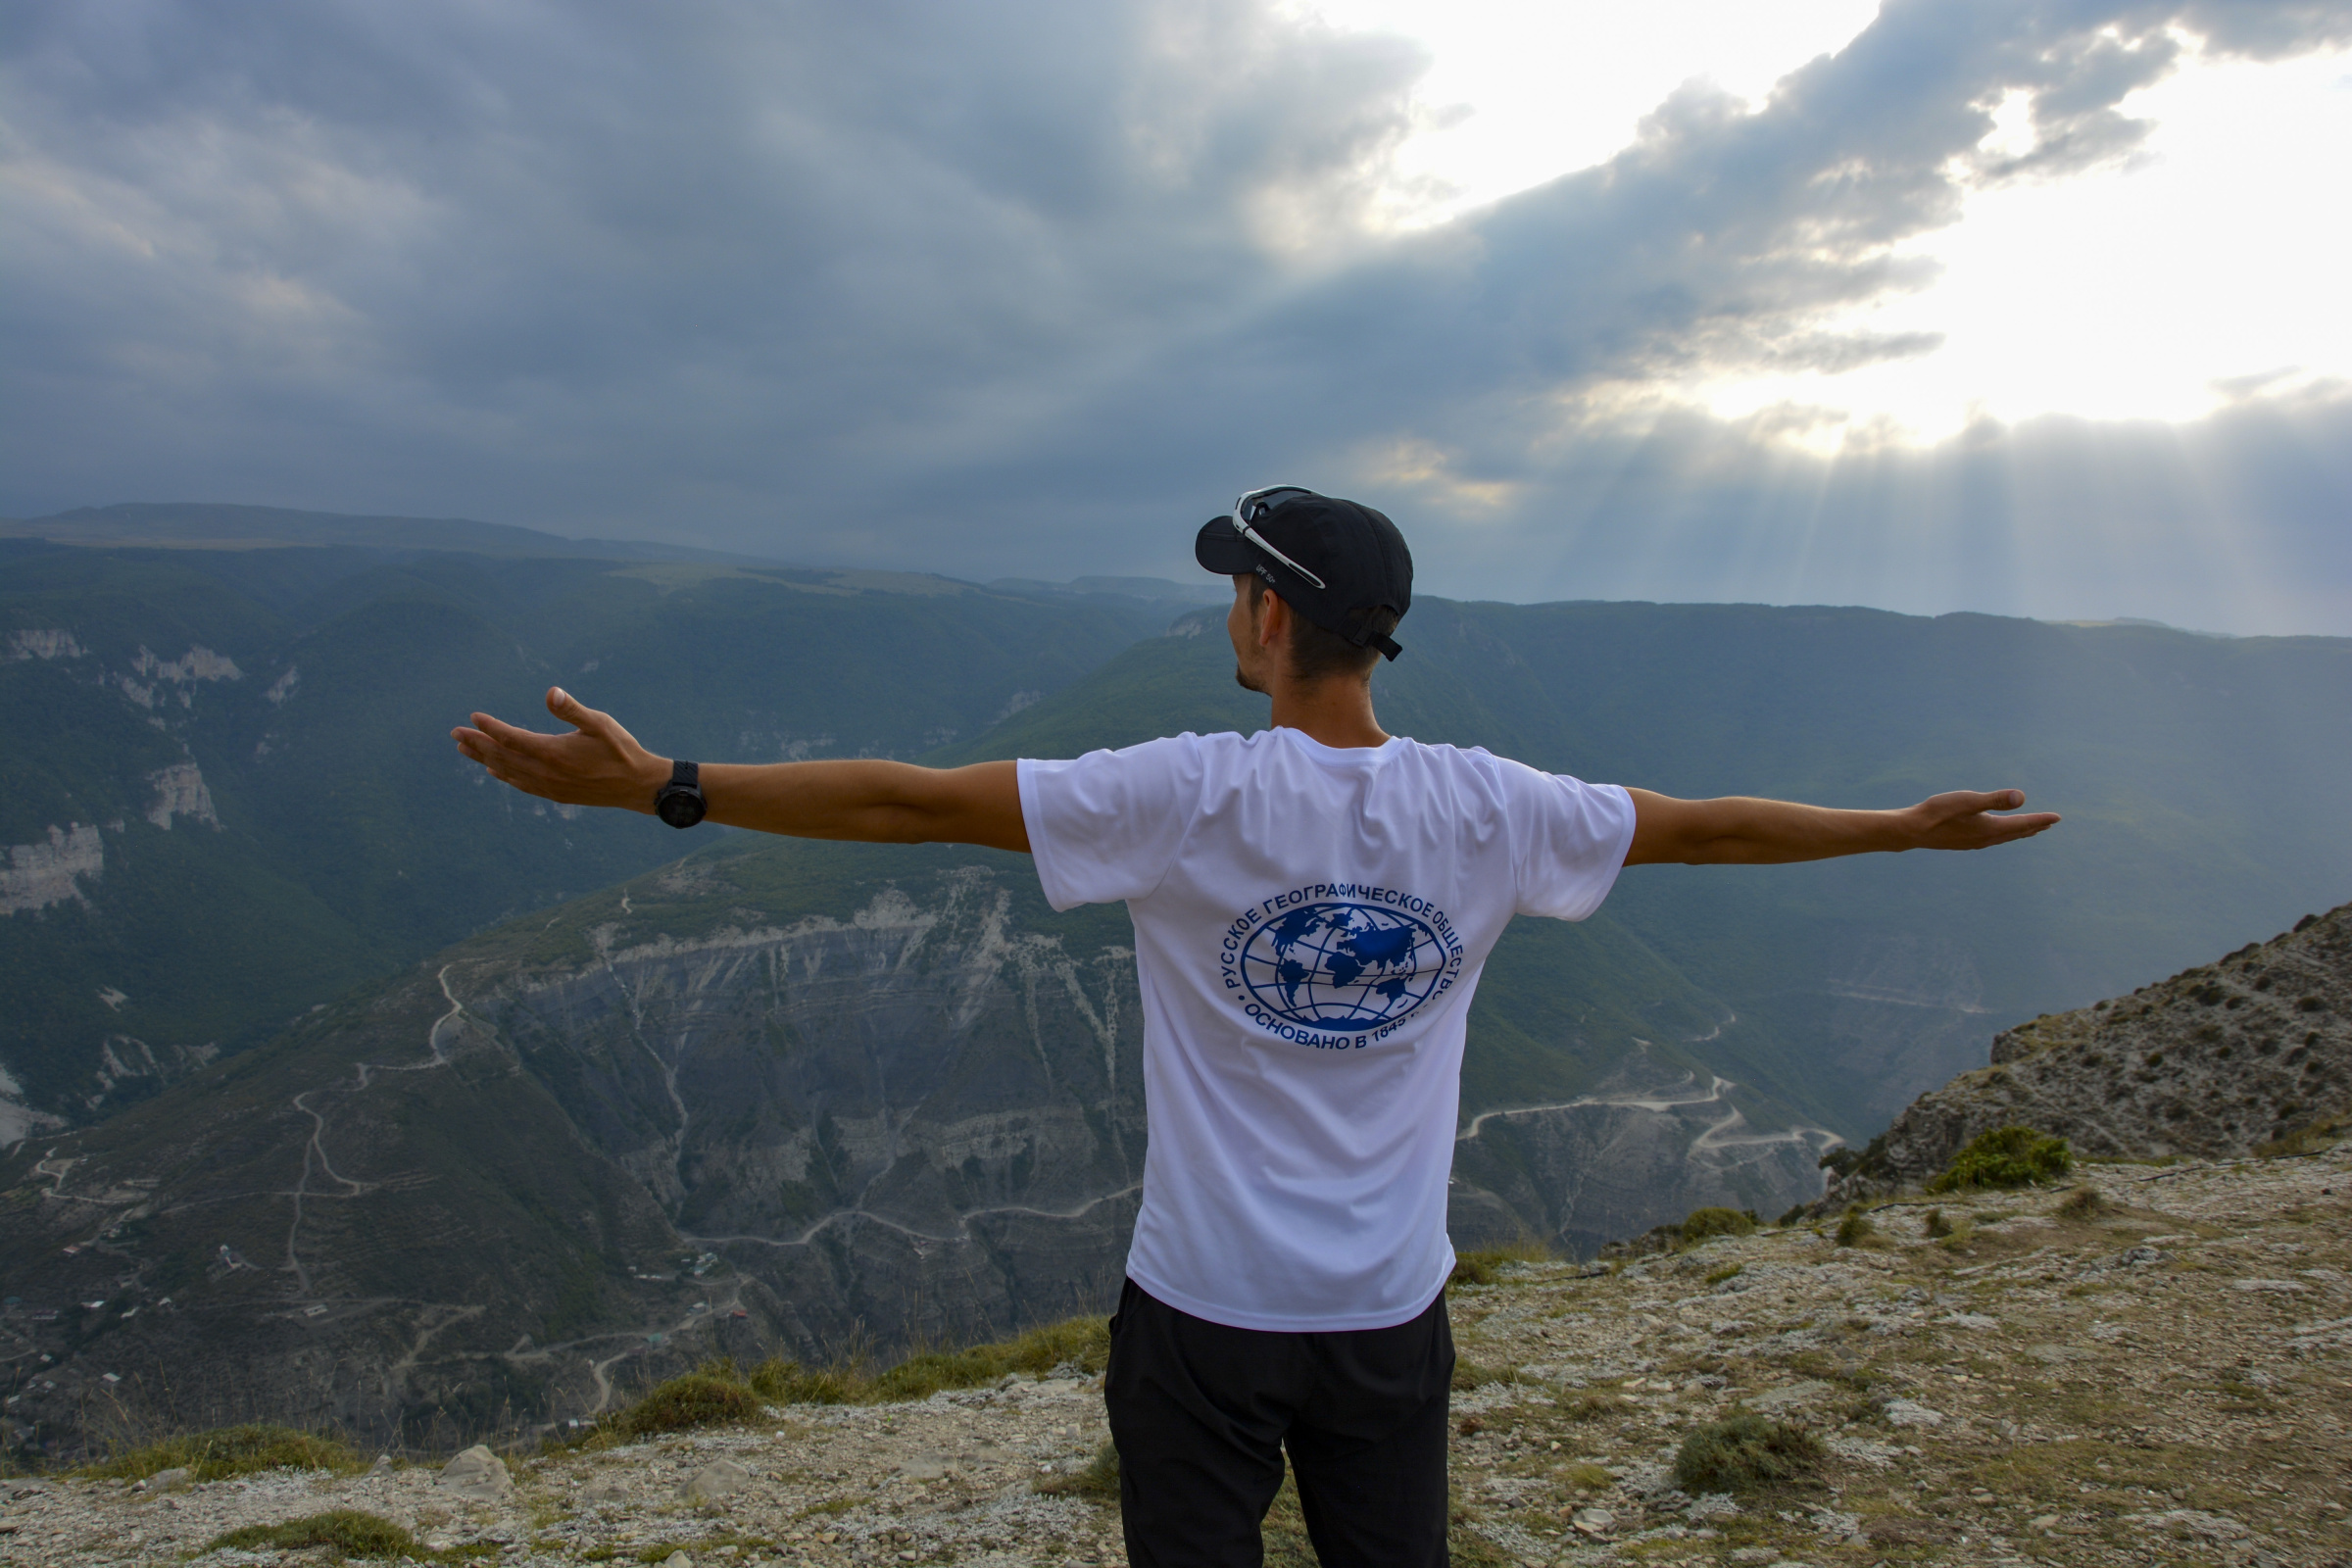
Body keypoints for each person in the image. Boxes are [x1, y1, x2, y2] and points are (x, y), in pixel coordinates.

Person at [452, 486, 2058, 1568]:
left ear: (1273, 620)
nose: (1231, 609)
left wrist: (669, 787)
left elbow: (909, 802)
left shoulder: (1186, 796)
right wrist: (1897, 832)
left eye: (1239, 587)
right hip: (1389, 1316)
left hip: (1204, 1316)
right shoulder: (1492, 809)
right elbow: (1704, 829)